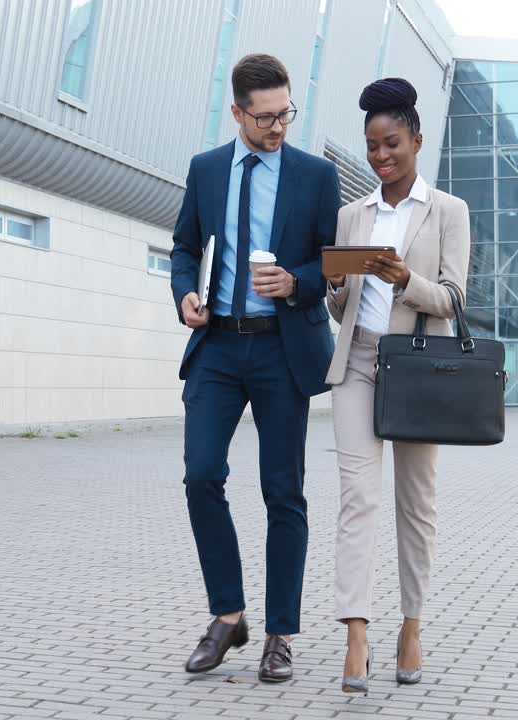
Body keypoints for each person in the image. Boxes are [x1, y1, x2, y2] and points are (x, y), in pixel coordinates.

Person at [169, 53, 340, 683]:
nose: (278, 127)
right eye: (265, 117)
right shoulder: (207, 169)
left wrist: (296, 281)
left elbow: (334, 261)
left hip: (281, 349)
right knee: (200, 475)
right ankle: (228, 616)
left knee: (282, 492)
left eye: (286, 113)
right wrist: (184, 293)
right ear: (237, 111)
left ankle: (279, 634)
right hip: (216, 348)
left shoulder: (315, 176)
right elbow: (186, 246)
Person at [323, 77, 470, 694]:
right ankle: (357, 635)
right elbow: (343, 307)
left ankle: (411, 626)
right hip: (357, 365)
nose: (380, 158)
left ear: (415, 139)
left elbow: (455, 299)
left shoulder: (448, 211)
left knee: (417, 504)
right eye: (372, 148)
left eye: (391, 145)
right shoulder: (353, 214)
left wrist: (406, 278)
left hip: (418, 370)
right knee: (358, 499)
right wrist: (336, 289)